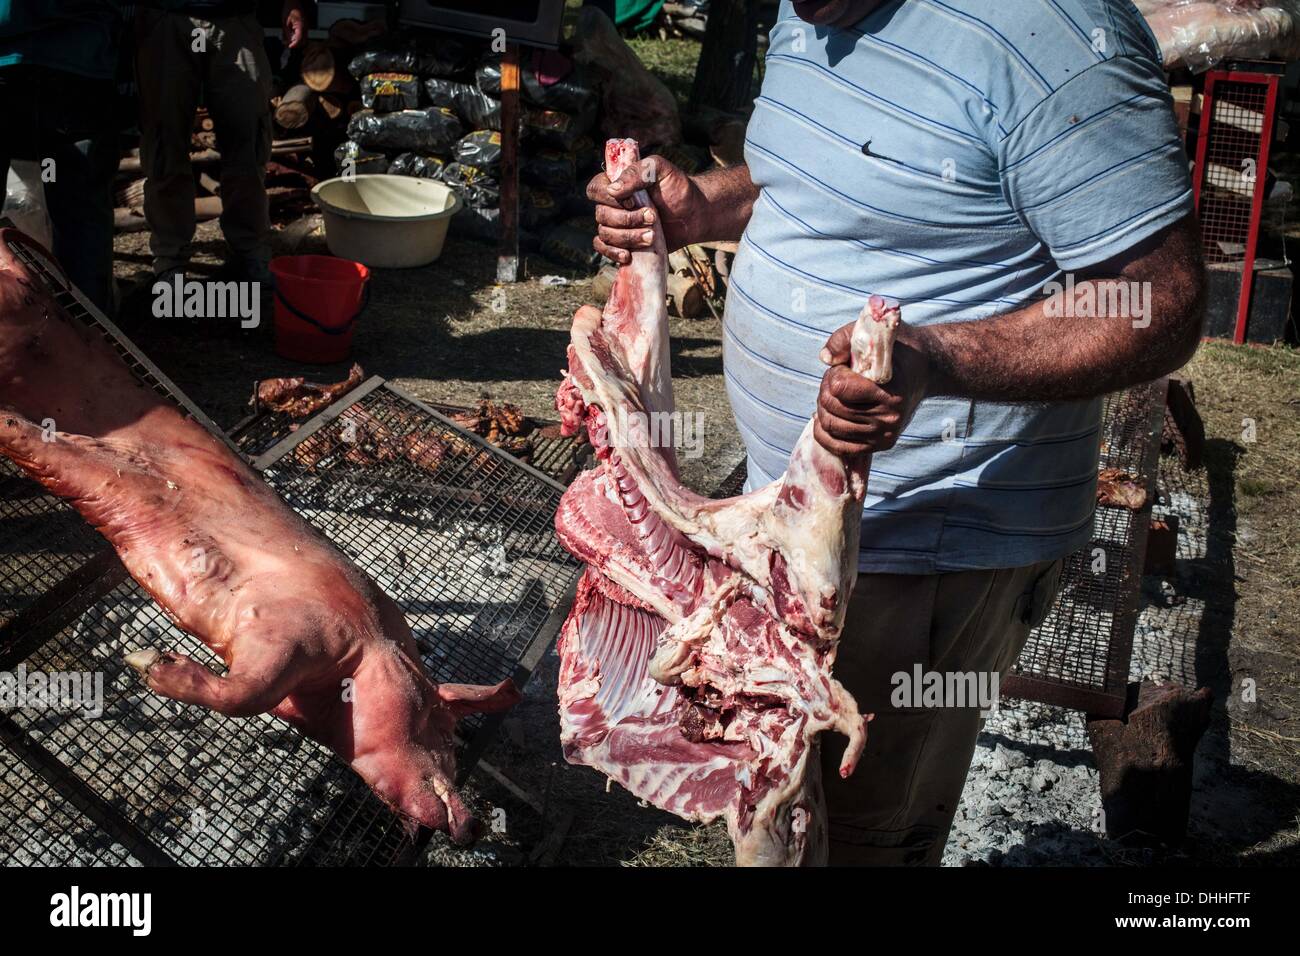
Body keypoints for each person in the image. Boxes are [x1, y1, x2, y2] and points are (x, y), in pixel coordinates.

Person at [587, 0, 1204, 865]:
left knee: (864, 833)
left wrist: (936, 360)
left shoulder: (1050, 31)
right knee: (784, 804)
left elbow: (1160, 301)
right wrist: (700, 208)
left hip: (933, 542)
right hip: (794, 520)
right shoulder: (816, 13)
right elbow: (812, 179)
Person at [134, 0, 304, 286]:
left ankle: (249, 250)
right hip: (166, 17)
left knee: (248, 142)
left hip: (236, 19)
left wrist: (292, 2)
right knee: (165, 144)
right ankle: (169, 258)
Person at [0, 0, 121, 314]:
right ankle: (92, 336)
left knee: (80, 216)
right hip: (77, 65)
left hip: (69, 71)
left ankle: (87, 331)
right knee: (82, 218)